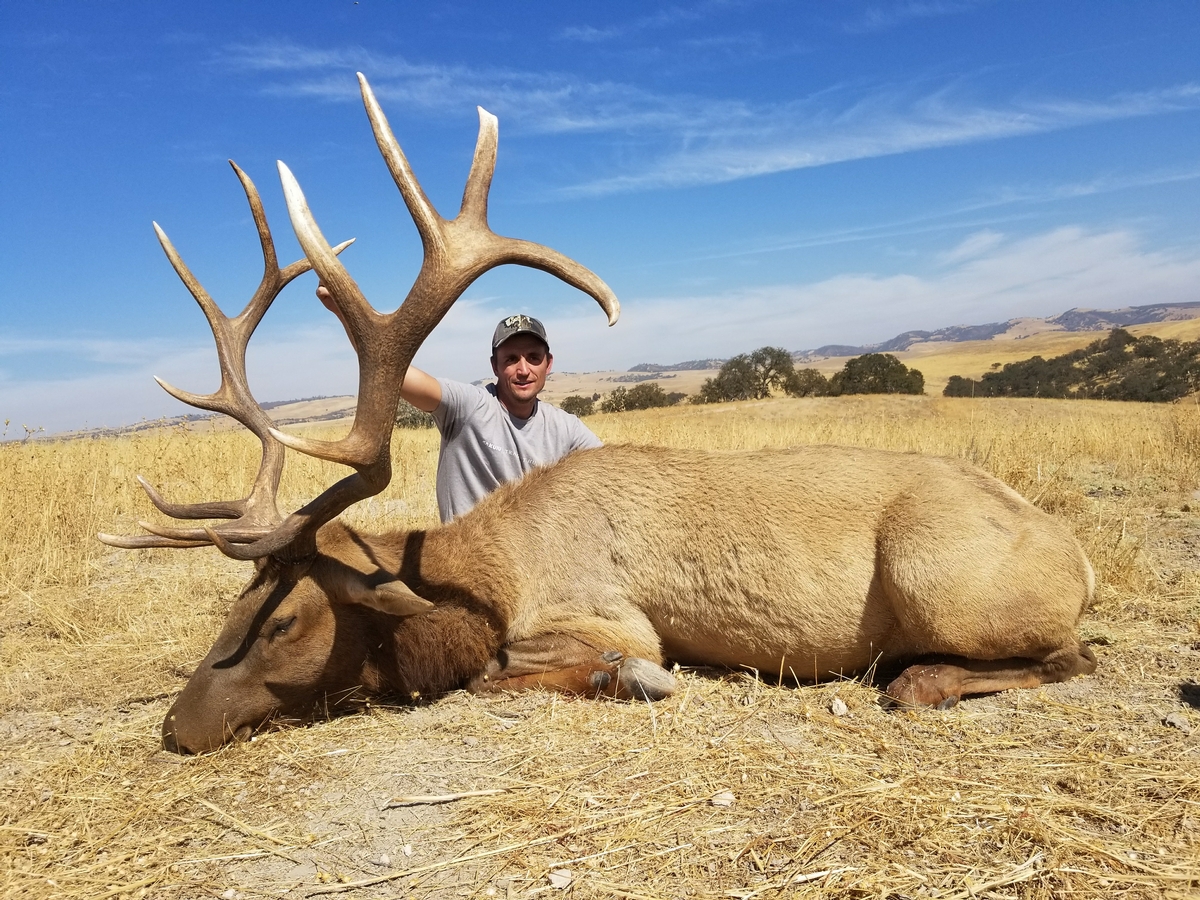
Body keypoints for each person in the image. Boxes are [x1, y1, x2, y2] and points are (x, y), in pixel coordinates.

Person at [318, 287, 601, 522]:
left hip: (533, 570)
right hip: (464, 564)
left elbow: (613, 474)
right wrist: (343, 311)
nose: (523, 369)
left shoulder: (566, 429)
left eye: (533, 357)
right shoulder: (468, 407)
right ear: (495, 366)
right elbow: (390, 367)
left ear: (548, 364)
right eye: (511, 359)